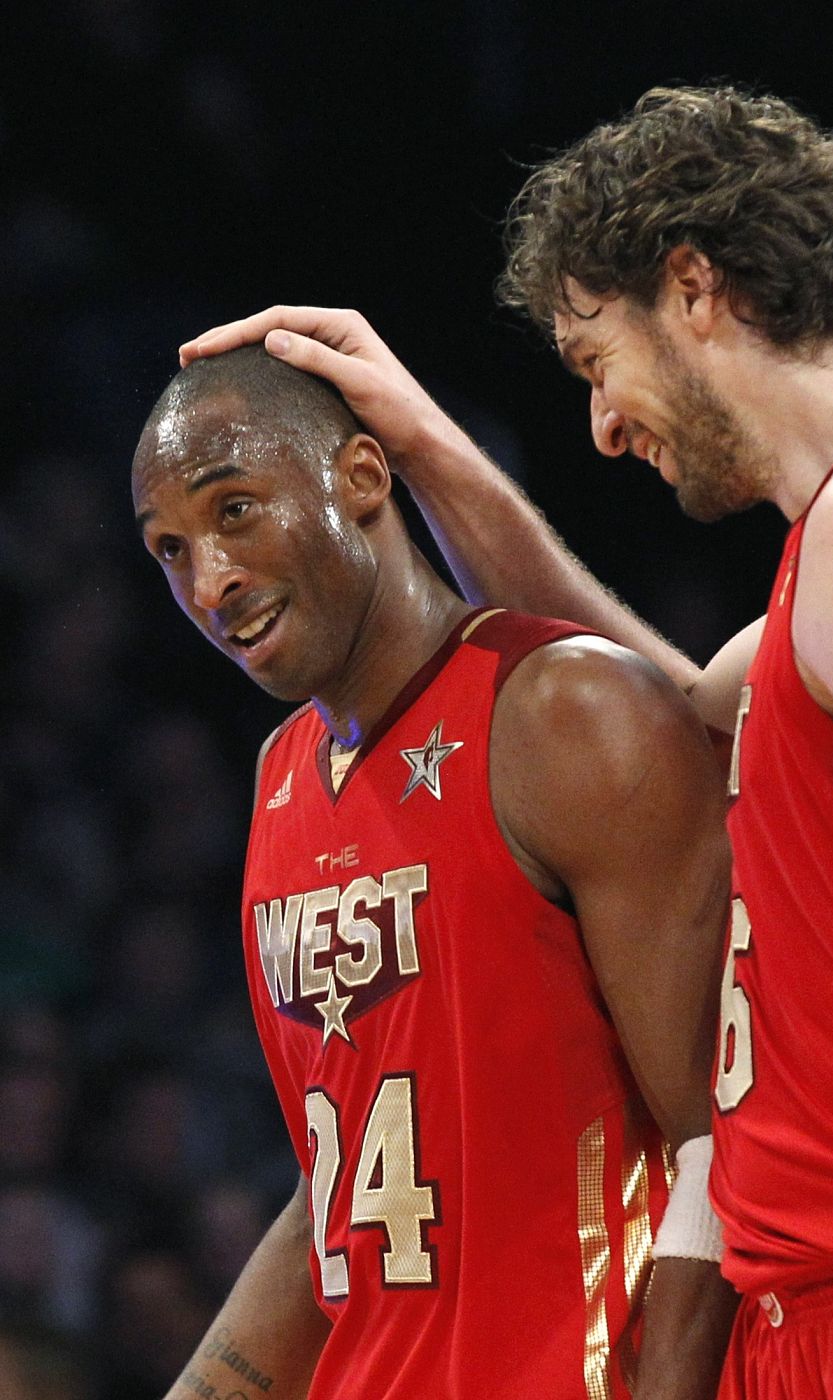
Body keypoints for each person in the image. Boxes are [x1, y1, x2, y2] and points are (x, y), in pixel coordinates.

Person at [179, 85, 833, 1399]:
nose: (603, 423)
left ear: (694, 289)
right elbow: (678, 698)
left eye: (596, 361)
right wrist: (428, 450)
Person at [131, 345, 738, 1400]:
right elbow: (348, 1185)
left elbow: (723, 1134)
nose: (210, 581)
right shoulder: (282, 777)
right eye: (170, 549)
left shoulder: (567, 712)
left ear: (365, 477)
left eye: (236, 511)